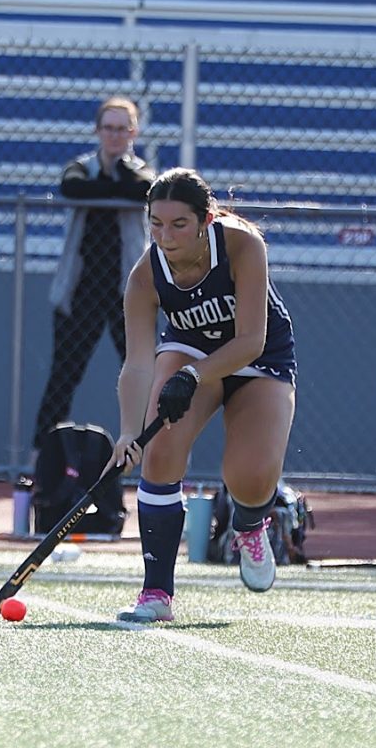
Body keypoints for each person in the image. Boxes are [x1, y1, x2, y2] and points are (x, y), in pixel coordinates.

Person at [108, 167, 297, 622]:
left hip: (259, 354)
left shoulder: (242, 245)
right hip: (190, 345)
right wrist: (129, 432)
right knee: (159, 452)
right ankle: (156, 594)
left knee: (250, 477)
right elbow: (136, 364)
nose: (165, 236)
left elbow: (251, 339)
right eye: (155, 223)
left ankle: (250, 526)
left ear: (205, 220)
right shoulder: (144, 278)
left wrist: (192, 377)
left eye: (178, 225)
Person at [32, 97, 152, 449]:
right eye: (108, 128)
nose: (115, 136)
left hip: (127, 291)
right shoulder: (80, 167)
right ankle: (44, 458)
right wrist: (114, 186)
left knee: (143, 374)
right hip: (80, 290)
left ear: (134, 132)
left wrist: (116, 180)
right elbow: (72, 188)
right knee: (64, 375)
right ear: (97, 131)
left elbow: (142, 189)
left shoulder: (142, 170)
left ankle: (154, 453)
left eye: (122, 129)